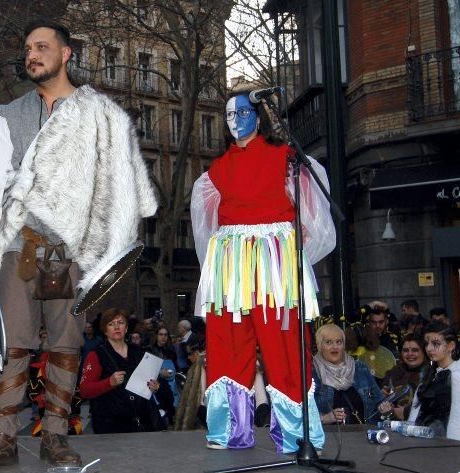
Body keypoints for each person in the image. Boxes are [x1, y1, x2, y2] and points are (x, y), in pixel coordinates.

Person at [0, 20, 156, 469]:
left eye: (41, 46)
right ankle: (3, 437)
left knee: (65, 345)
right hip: (18, 245)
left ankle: (55, 435)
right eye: (28, 48)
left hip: (70, 251)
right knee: (13, 344)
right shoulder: (9, 116)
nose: (32, 54)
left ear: (66, 53)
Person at [190, 90, 334, 452]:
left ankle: (296, 432)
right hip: (233, 264)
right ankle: (228, 430)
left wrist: (300, 231)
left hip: (274, 263)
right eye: (228, 115)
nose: (234, 120)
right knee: (227, 342)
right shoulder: (216, 171)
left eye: (241, 112)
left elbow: (314, 211)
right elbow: (205, 229)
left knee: (284, 342)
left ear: (260, 116)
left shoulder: (286, 158)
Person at [79, 308, 163, 433]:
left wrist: (155, 386)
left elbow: (154, 381)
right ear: (105, 330)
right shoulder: (96, 354)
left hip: (144, 423)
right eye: (111, 324)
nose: (117, 327)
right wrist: (109, 383)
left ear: (127, 328)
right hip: (111, 426)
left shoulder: (139, 351)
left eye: (121, 323)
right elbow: (84, 390)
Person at [313, 324, 389, 425]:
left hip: (362, 435)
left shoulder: (360, 368)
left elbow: (378, 403)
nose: (335, 347)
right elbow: (299, 413)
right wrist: (323, 418)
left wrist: (385, 409)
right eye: (328, 342)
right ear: (320, 346)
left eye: (339, 342)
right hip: (328, 437)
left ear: (344, 345)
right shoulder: (311, 372)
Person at [408, 322, 460, 440]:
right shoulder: (428, 374)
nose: (429, 348)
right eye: (426, 344)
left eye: (436, 343)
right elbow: (415, 413)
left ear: (451, 346)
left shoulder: (457, 375)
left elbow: (457, 418)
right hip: (422, 442)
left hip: (449, 446)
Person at [381, 335, 427, 420]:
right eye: (405, 350)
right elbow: (383, 402)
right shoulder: (393, 374)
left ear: (424, 352)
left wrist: (406, 412)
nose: (410, 354)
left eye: (415, 350)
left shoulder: (431, 375)